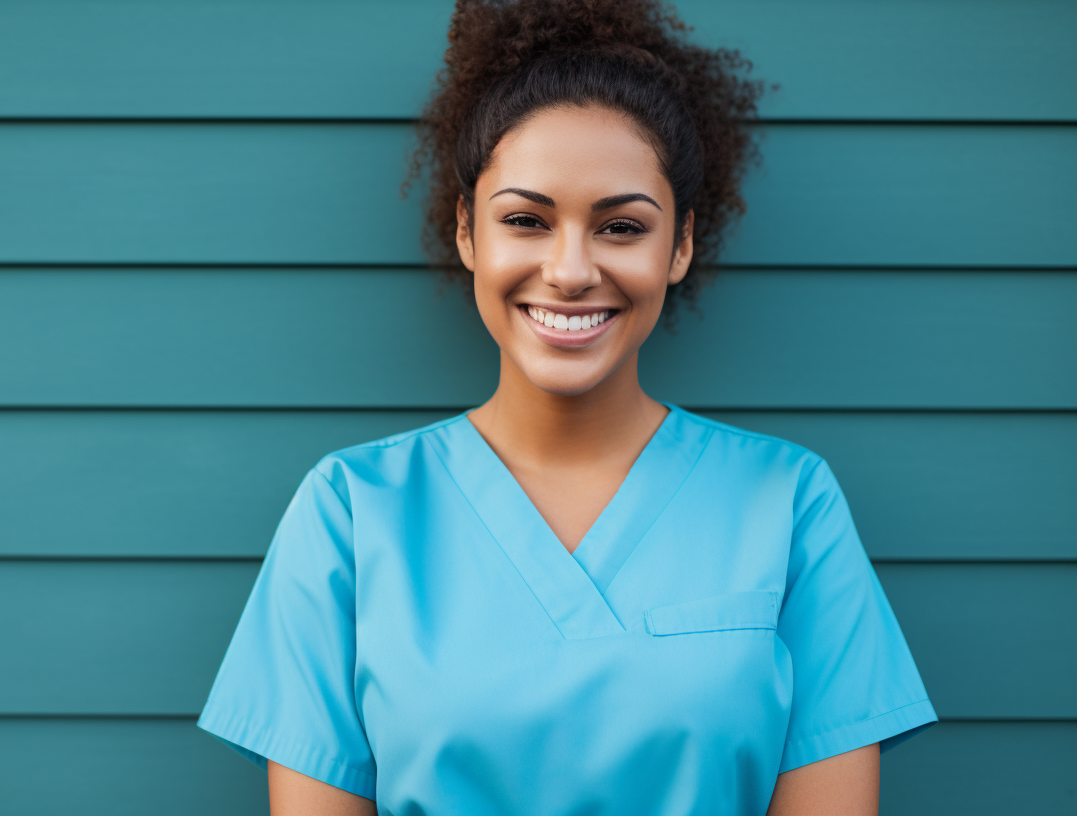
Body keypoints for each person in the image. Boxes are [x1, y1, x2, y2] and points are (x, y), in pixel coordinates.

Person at [198, 0, 936, 813]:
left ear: (680, 245)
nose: (572, 269)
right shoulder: (349, 511)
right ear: (469, 234)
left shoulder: (790, 504)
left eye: (621, 226)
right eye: (525, 220)